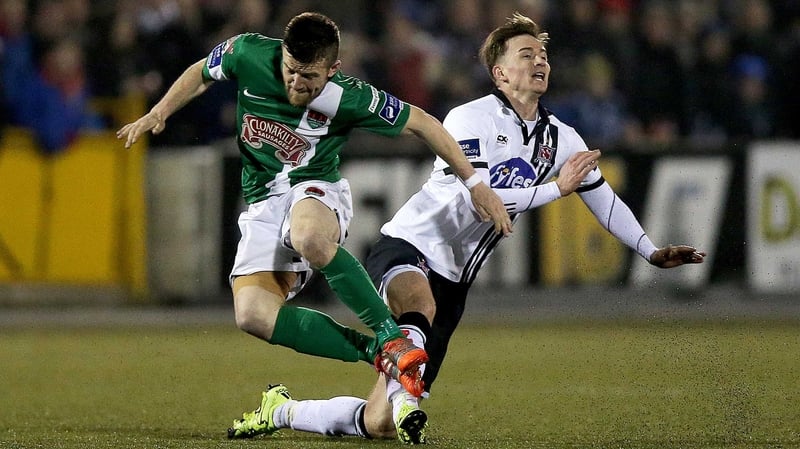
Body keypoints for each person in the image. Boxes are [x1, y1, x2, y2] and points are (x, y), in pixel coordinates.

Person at [226, 12, 707, 445]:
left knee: (378, 423)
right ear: (500, 73)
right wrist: (556, 189)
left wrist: (648, 249)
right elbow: (481, 200)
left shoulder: (562, 139)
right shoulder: (469, 118)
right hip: (407, 246)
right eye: (526, 54)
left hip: (456, 278)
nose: (540, 61)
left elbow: (602, 198)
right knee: (419, 306)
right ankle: (406, 399)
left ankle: (283, 410)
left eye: (543, 54)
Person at [115, 11, 512, 438]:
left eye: (309, 77)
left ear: (332, 69)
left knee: (308, 236)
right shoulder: (248, 52)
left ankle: (392, 338)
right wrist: (159, 111)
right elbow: (202, 72)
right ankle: (376, 351)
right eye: (290, 70)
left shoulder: (350, 96)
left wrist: (475, 184)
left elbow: (425, 124)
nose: (296, 83)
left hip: (315, 189)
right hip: (263, 204)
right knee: (252, 315)